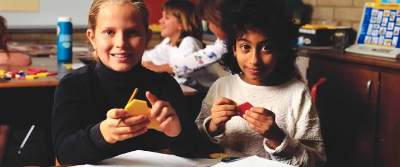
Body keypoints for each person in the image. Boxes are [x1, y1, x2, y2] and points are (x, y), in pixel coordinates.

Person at [52, 0, 197, 165]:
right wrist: (102, 134)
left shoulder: (164, 85)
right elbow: (64, 153)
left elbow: (191, 149)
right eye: (109, 32)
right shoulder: (73, 85)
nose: (121, 43)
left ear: (147, 37)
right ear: (92, 38)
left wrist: (175, 132)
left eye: (132, 32)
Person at [195, 0, 326, 166]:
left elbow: (317, 162)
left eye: (267, 48)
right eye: (245, 47)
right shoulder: (221, 86)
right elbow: (195, 145)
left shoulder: (297, 93)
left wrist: (277, 138)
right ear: (234, 49)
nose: (254, 60)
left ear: (280, 49)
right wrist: (213, 126)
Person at [141, 0, 204, 88]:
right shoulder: (168, 42)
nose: (160, 21)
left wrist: (156, 68)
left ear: (181, 23)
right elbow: (148, 56)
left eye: (166, 18)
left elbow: (184, 71)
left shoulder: (189, 42)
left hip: (195, 95)